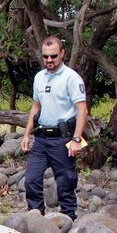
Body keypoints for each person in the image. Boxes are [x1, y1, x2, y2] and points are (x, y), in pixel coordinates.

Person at [20, 36, 87, 221]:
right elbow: (35, 107)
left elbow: (82, 109)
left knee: (65, 183)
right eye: (45, 57)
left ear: (62, 53)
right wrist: (26, 135)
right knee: (31, 180)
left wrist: (76, 139)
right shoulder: (39, 77)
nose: (49, 60)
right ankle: (36, 219)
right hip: (41, 139)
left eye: (53, 56)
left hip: (63, 139)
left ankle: (68, 220)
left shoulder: (71, 78)